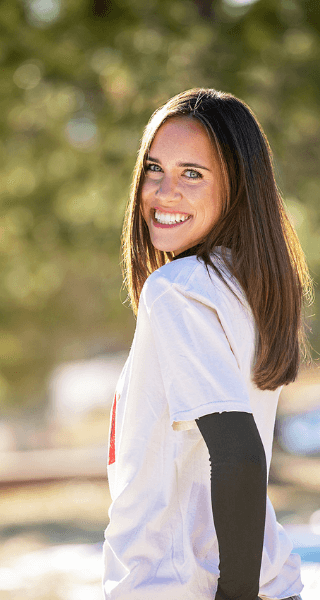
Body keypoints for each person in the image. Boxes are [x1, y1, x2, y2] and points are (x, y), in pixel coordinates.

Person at [103, 88, 312, 600]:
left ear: (237, 187)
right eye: (154, 168)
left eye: (192, 174)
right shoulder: (244, 287)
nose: (163, 192)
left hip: (181, 587)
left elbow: (239, 453)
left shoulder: (178, 291)